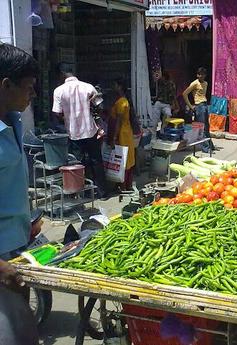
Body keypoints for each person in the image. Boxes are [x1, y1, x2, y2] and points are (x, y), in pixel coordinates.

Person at [0, 43, 39, 345]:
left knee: (23, 332)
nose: (32, 95)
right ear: (6, 85)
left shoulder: (12, 123)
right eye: (28, 87)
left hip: (15, 251)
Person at [52, 62, 108, 199]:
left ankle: (78, 193)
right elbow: (101, 106)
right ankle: (101, 192)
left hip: (73, 133)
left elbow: (57, 113)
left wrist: (67, 117)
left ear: (61, 74)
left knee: (77, 163)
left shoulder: (59, 91)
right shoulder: (88, 87)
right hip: (90, 131)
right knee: (96, 161)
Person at [110, 78, 135, 191]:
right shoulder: (124, 101)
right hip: (126, 132)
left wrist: (114, 137)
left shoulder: (121, 102)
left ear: (119, 86)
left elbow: (118, 121)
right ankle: (125, 184)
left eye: (115, 84)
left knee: (122, 158)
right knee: (127, 158)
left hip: (122, 133)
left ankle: (123, 185)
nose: (113, 87)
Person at [182, 67, 214, 153]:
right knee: (201, 127)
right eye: (199, 74)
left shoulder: (206, 83)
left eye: (202, 74)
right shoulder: (194, 83)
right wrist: (190, 106)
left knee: (206, 127)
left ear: (205, 75)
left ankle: (210, 145)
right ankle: (206, 148)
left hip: (205, 105)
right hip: (199, 106)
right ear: (197, 75)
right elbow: (185, 94)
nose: (200, 76)